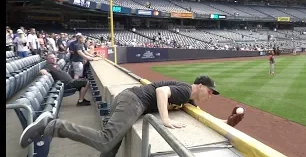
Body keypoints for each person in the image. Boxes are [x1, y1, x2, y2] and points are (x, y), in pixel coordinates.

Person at [19, 76, 245, 156]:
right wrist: (165, 120)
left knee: (110, 147)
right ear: (200, 85)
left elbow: (204, 118)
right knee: (106, 139)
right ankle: (53, 125)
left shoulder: (188, 97)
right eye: (210, 91)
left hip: (129, 99)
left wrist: (229, 121)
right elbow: (160, 91)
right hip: (134, 102)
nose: (211, 95)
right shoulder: (187, 90)